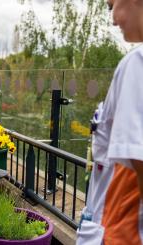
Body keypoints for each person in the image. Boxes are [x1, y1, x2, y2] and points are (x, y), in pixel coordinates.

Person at [77, 0, 143, 244]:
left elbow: (137, 157)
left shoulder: (137, 63)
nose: (113, 19)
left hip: (119, 233)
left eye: (111, 5)